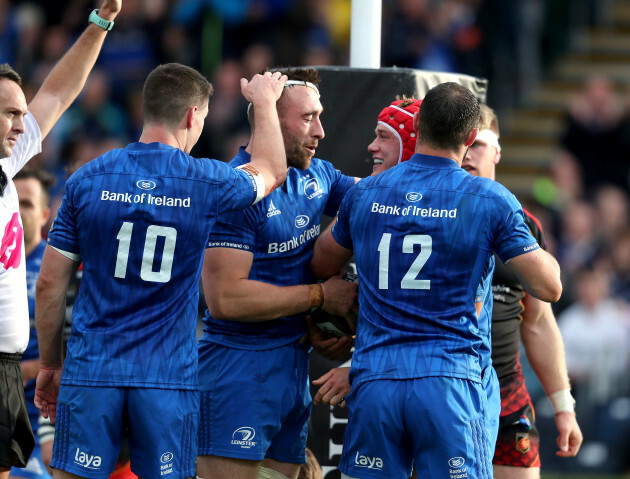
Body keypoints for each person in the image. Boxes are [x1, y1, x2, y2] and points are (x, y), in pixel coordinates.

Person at [34, 63, 288, 479]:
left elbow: (48, 285)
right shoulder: (206, 180)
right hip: (166, 376)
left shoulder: (86, 179)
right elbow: (272, 169)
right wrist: (263, 102)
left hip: (93, 368)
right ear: (192, 116)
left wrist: (50, 365)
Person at [310, 82, 562, 479]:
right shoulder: (489, 200)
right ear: (471, 137)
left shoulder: (365, 194)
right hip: (450, 383)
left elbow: (321, 262)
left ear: (420, 126)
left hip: (376, 381)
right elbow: (549, 288)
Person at [196, 67, 358, 479]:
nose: (320, 130)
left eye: (320, 116)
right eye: (307, 118)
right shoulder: (237, 191)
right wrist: (320, 297)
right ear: (268, 118)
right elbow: (225, 298)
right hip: (237, 370)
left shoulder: (318, 175)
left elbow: (378, 200)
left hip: (292, 368)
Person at [0, 1, 121, 476]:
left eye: (18, 114)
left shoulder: (7, 167)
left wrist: (100, 23)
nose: (20, 124)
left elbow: (57, 94)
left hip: (8, 369)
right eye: (9, 114)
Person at [462, 104, 582, 476]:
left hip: (506, 391)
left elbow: (539, 322)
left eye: (478, 144)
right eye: (461, 143)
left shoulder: (523, 224)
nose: (467, 153)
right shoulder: (427, 213)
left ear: (497, 151)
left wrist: (563, 406)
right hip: (447, 387)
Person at [10, 168, 55, 479]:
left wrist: (28, 369)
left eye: (26, 204)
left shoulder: (60, 271)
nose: (18, 211)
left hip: (41, 410)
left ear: (44, 214)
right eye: (13, 202)